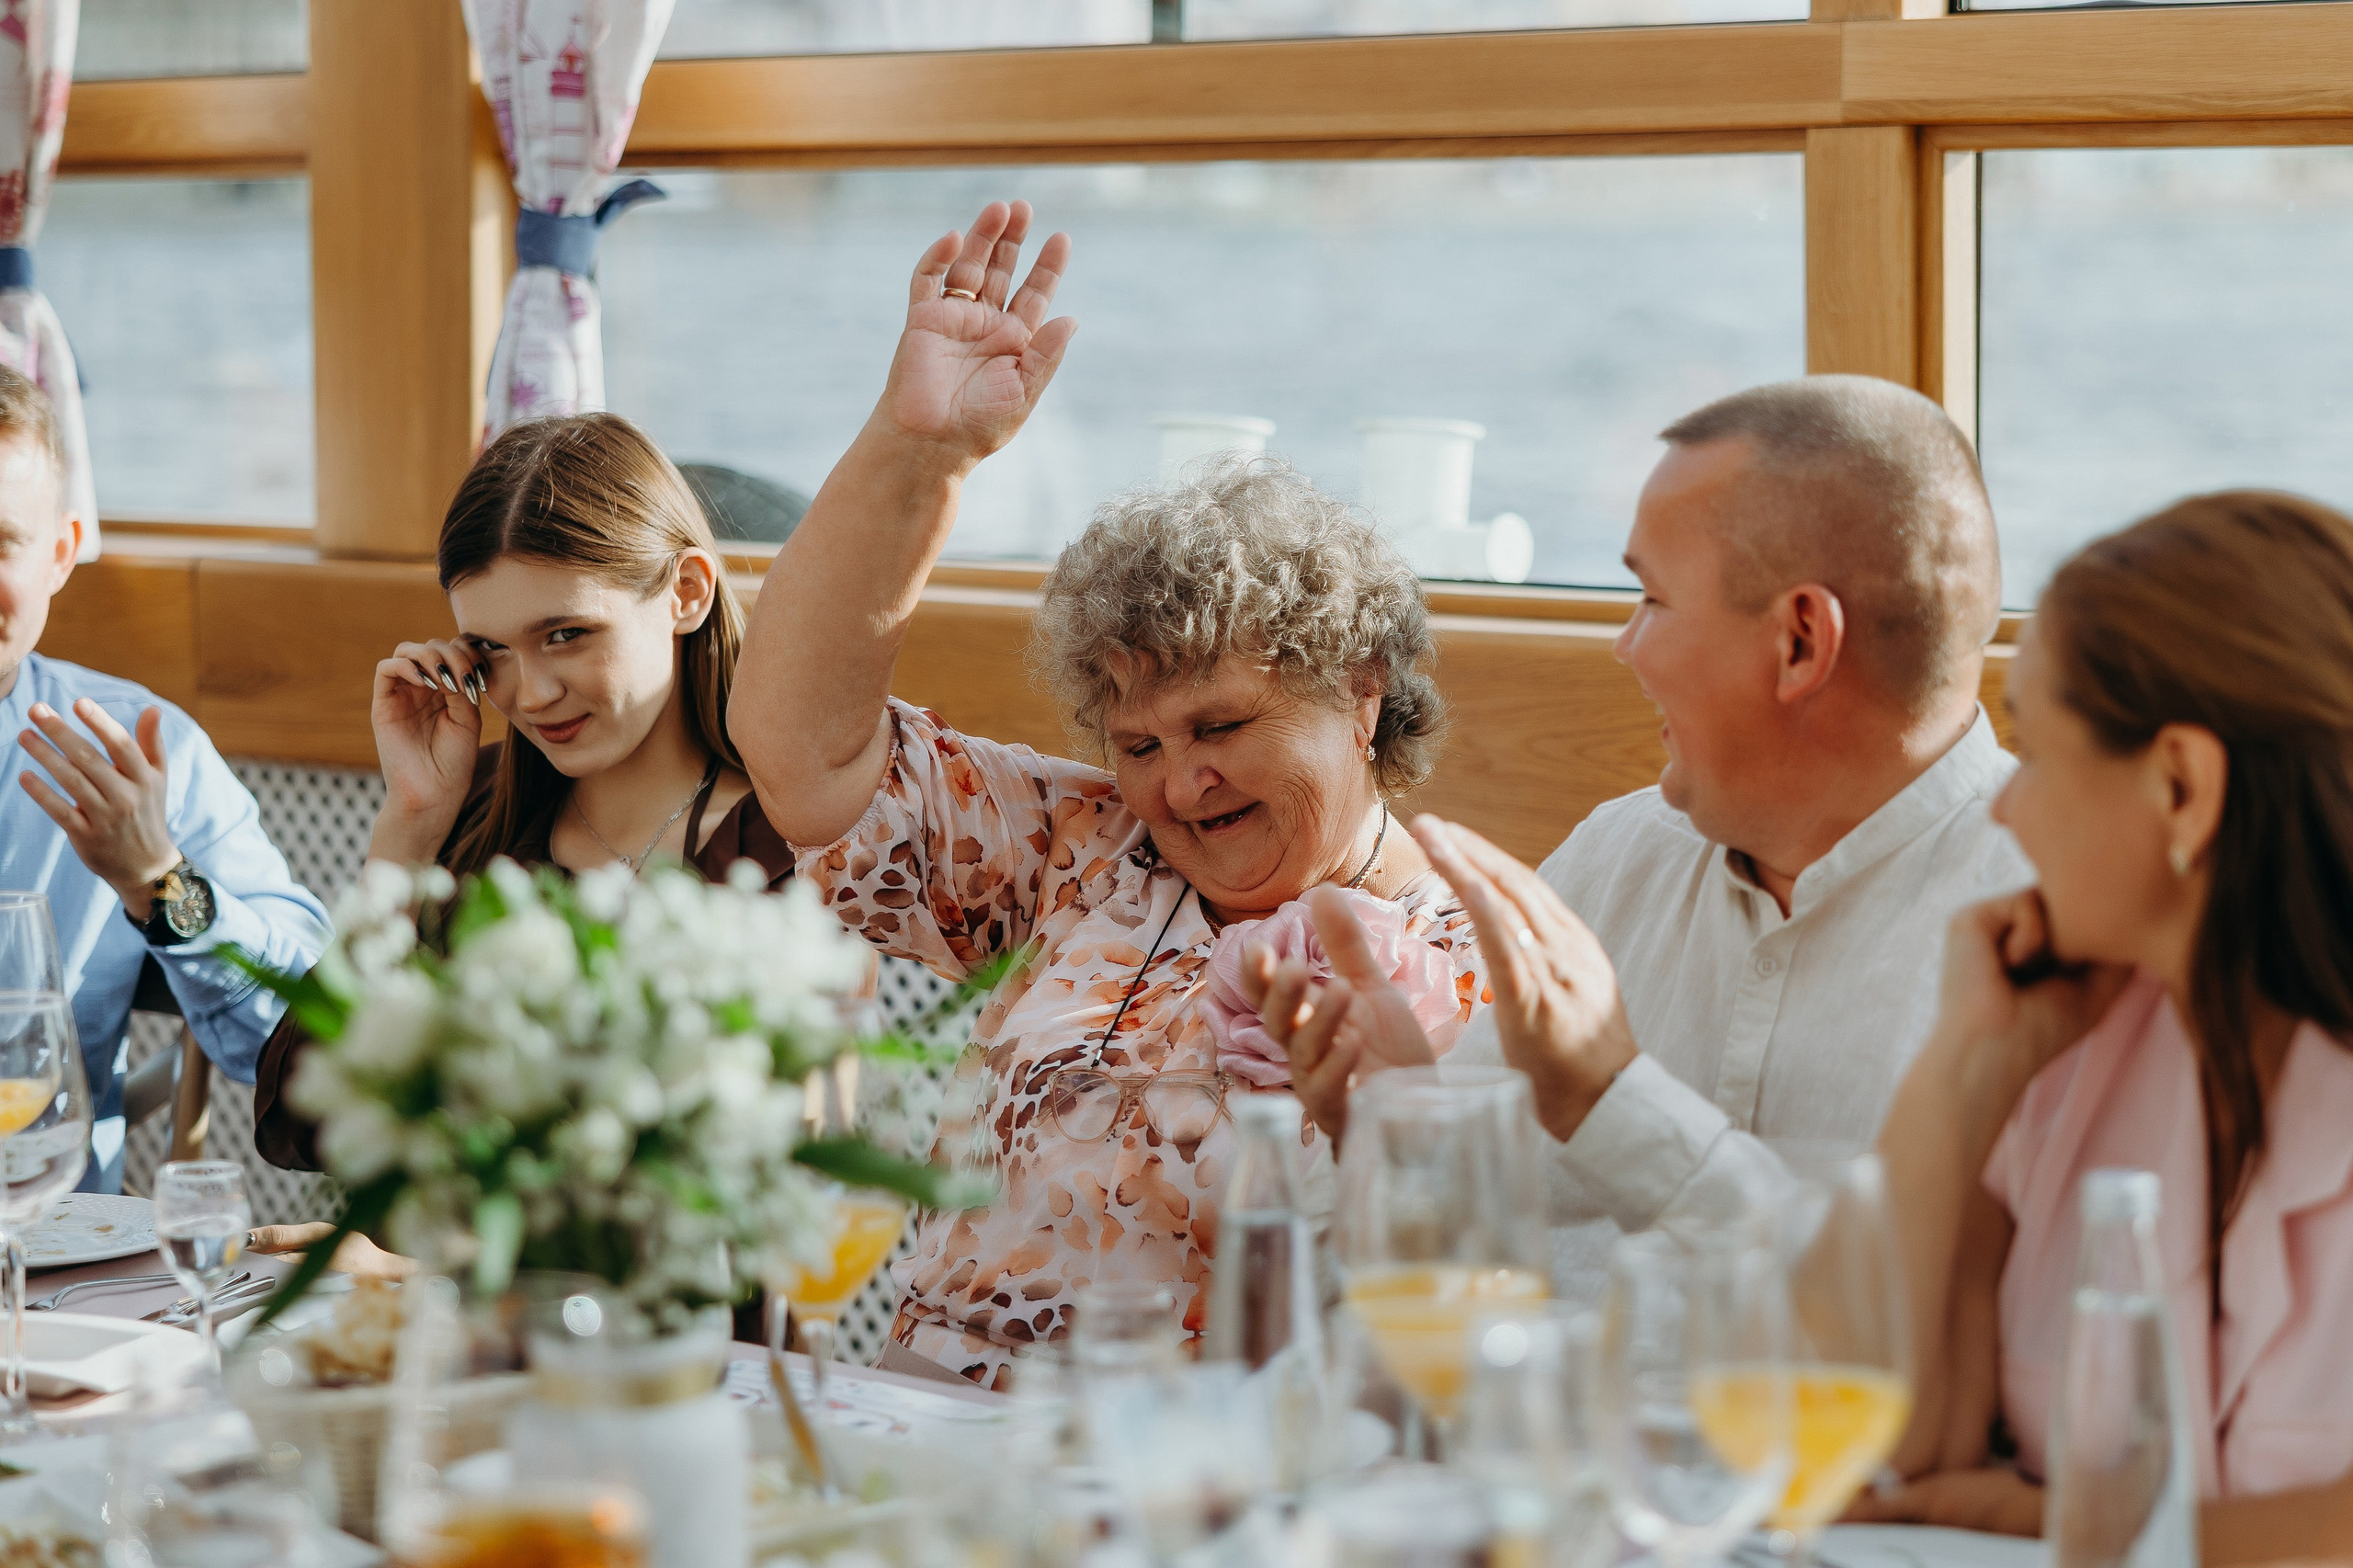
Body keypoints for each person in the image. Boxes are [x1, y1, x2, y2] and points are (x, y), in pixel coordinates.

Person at [730, 201, 1487, 1388]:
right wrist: (918, 451)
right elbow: (796, 747)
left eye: (1223, 725)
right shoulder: (1083, 845)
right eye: (1137, 741)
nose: (1178, 783)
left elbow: (1446, 1291)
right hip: (922, 1438)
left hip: (1186, 1489)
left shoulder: (1470, 947)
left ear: (1358, 689)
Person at [1250, 376, 2029, 1300]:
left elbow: (1934, 1335)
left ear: (1799, 642)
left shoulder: (2045, 921)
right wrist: (1399, 1130)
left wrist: (1613, 1105)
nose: (1626, 647)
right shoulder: (1618, 853)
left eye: (1651, 599)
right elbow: (1439, 1292)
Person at [1863, 492, 2353, 1559]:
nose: (2004, 808)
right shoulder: (2062, 1049)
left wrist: (2063, 1524)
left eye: (2033, 750)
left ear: (2181, 785)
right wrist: (1963, 1070)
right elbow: (1885, 1457)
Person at [251, 411, 792, 1172]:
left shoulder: (786, 853)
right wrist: (408, 830)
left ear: (687, 594)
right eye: (492, 650)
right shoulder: (470, 813)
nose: (530, 693)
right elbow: (304, 1123)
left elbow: (754, 1171)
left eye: (567, 634)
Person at [0, 365, 327, 1192]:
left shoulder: (142, 755)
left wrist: (159, 882)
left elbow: (309, 1044)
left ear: (61, 555)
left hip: (42, 1264)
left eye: (0, 541)